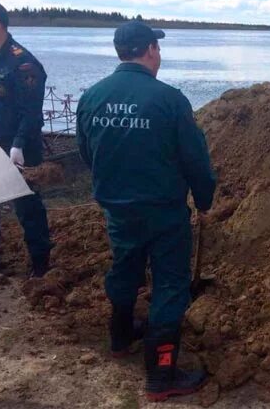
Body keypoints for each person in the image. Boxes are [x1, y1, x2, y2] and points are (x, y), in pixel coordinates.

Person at [76, 21, 216, 402]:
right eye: (158, 48)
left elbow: (88, 154)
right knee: (171, 283)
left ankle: (120, 336)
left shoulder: (92, 96)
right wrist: (204, 201)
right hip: (163, 212)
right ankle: (162, 373)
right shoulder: (169, 100)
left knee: (125, 266)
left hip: (117, 207)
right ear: (151, 50)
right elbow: (195, 161)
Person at [0, 0, 51, 277]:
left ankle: (40, 264)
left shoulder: (23, 63)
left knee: (26, 204)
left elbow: (32, 111)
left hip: (17, 145)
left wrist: (19, 144)